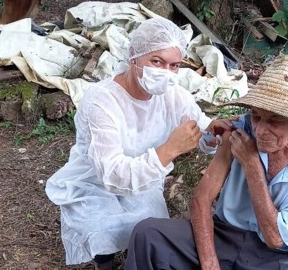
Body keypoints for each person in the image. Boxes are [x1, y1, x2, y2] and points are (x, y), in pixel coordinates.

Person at [45, 17, 232, 270]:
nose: (165, 72)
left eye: (174, 65)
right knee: (103, 231)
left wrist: (211, 133)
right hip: (94, 182)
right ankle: (105, 262)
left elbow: (200, 127)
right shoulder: (102, 101)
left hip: (144, 179)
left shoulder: (173, 94)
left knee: (148, 231)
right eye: (156, 61)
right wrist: (171, 149)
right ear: (133, 56)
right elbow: (110, 174)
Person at [125, 53, 288, 270]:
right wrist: (209, 263)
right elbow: (201, 199)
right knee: (148, 235)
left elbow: (276, 239)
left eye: (274, 120)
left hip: (278, 255)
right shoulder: (241, 130)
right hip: (225, 236)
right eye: (256, 116)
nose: (260, 130)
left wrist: (252, 164)